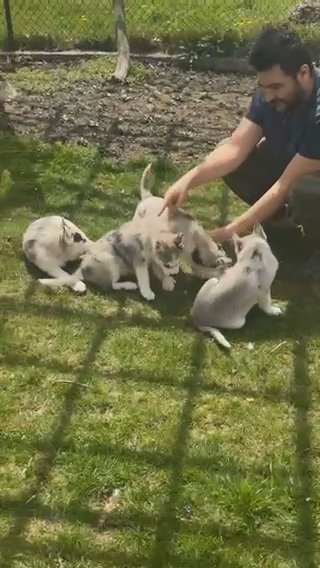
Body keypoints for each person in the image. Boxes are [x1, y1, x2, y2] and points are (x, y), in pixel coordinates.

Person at [160, 25, 320, 272]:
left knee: (303, 189)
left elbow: (284, 185)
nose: (267, 97)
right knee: (227, 154)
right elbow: (235, 148)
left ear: (303, 73)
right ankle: (281, 232)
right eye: (263, 87)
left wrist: (231, 230)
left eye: (276, 87)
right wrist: (188, 179)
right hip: (295, 165)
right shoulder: (270, 94)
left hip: (304, 178)